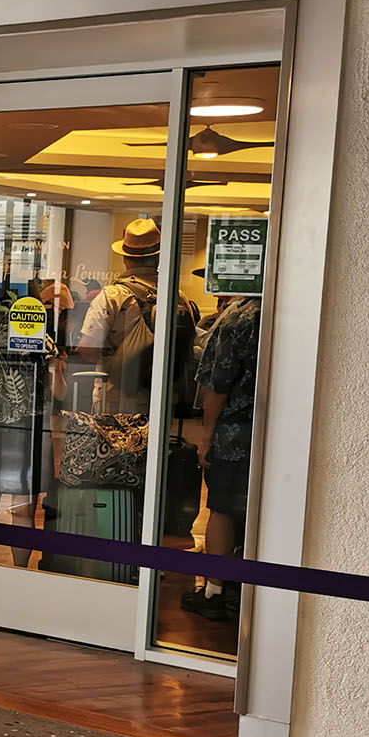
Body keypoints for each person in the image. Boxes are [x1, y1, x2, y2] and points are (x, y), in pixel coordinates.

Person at [180, 296, 261, 620]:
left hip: (236, 432)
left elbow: (217, 386)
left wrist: (207, 435)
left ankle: (215, 592)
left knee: (223, 508)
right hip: (282, 433)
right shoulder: (293, 305)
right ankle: (246, 588)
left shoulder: (240, 317)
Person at [74, 218, 198, 413]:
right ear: (158, 258)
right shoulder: (178, 296)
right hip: (162, 401)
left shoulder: (112, 296)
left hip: (117, 399)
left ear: (125, 258)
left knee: (116, 444)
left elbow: (88, 349)